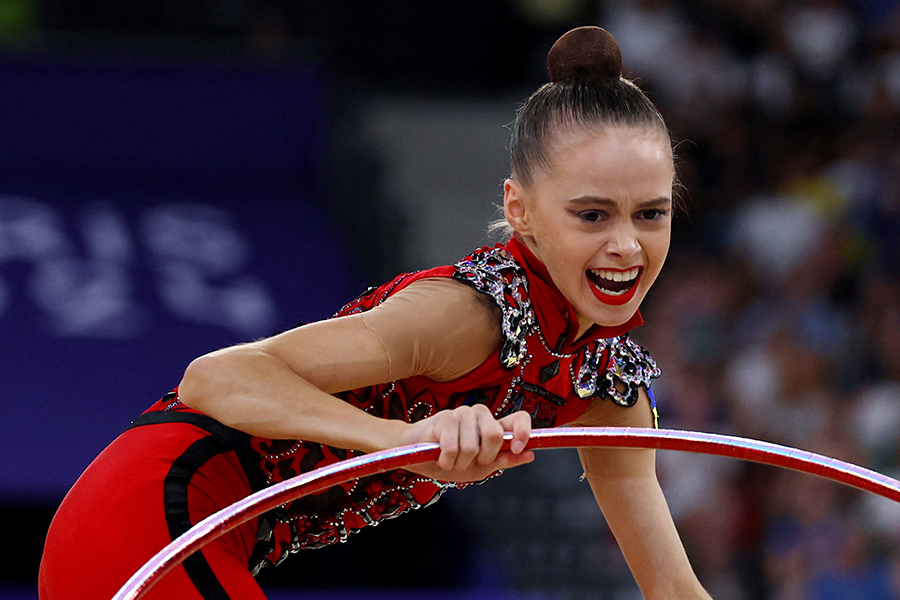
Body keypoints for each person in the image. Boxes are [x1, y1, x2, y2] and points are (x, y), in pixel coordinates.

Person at [39, 26, 711, 600]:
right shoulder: (463, 316)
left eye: (651, 214)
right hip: (152, 513)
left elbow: (675, 591)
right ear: (520, 211)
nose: (626, 245)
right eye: (592, 214)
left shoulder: (610, 389)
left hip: (210, 542)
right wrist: (396, 441)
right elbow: (213, 380)